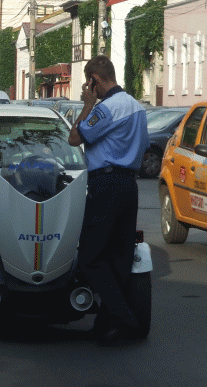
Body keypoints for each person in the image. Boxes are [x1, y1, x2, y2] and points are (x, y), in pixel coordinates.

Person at [68, 55, 149, 344]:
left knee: (90, 257)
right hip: (129, 185)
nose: (90, 89)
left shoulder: (106, 108)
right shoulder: (136, 106)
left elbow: (75, 137)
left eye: (89, 84)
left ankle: (125, 318)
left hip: (105, 183)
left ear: (95, 80)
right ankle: (107, 324)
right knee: (118, 258)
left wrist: (88, 105)